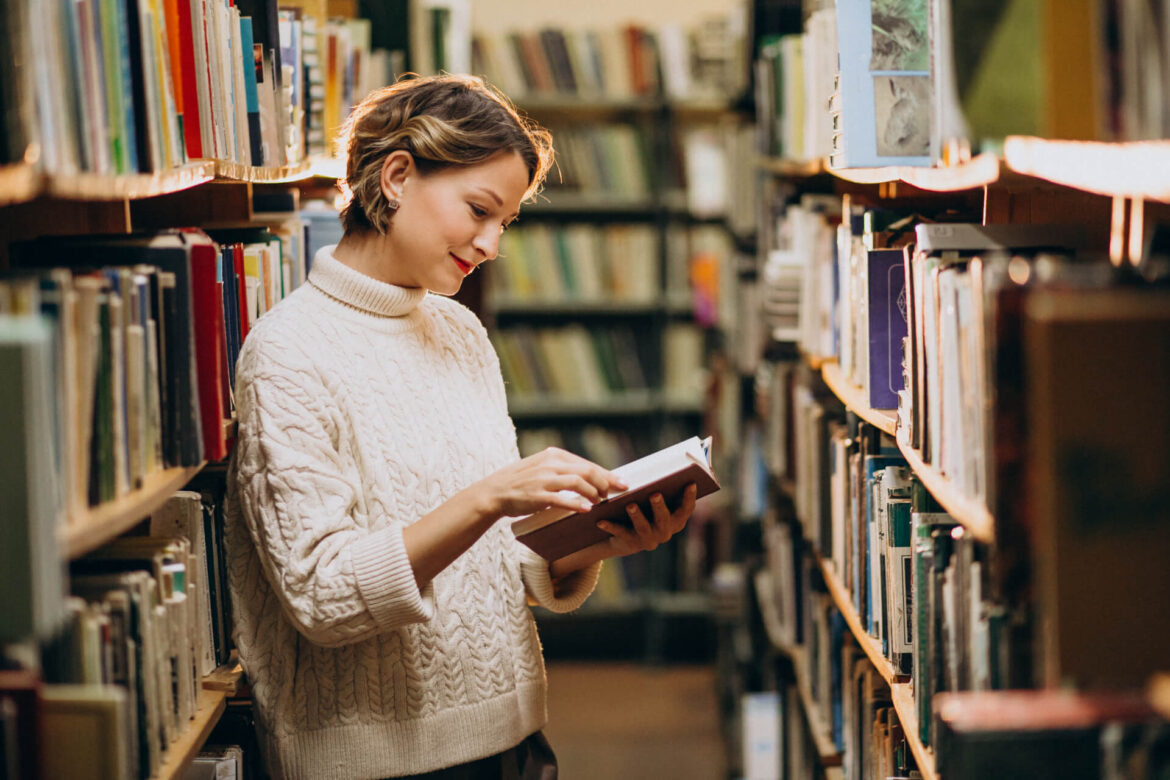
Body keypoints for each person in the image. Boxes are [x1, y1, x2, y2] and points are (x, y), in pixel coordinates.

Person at [224, 73, 698, 780]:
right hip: (376, 763)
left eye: (504, 222)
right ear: (397, 176)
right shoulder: (286, 354)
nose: (491, 243)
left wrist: (589, 540)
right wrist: (487, 498)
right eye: (479, 210)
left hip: (515, 738)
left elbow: (501, 563)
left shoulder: (460, 332)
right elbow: (322, 597)